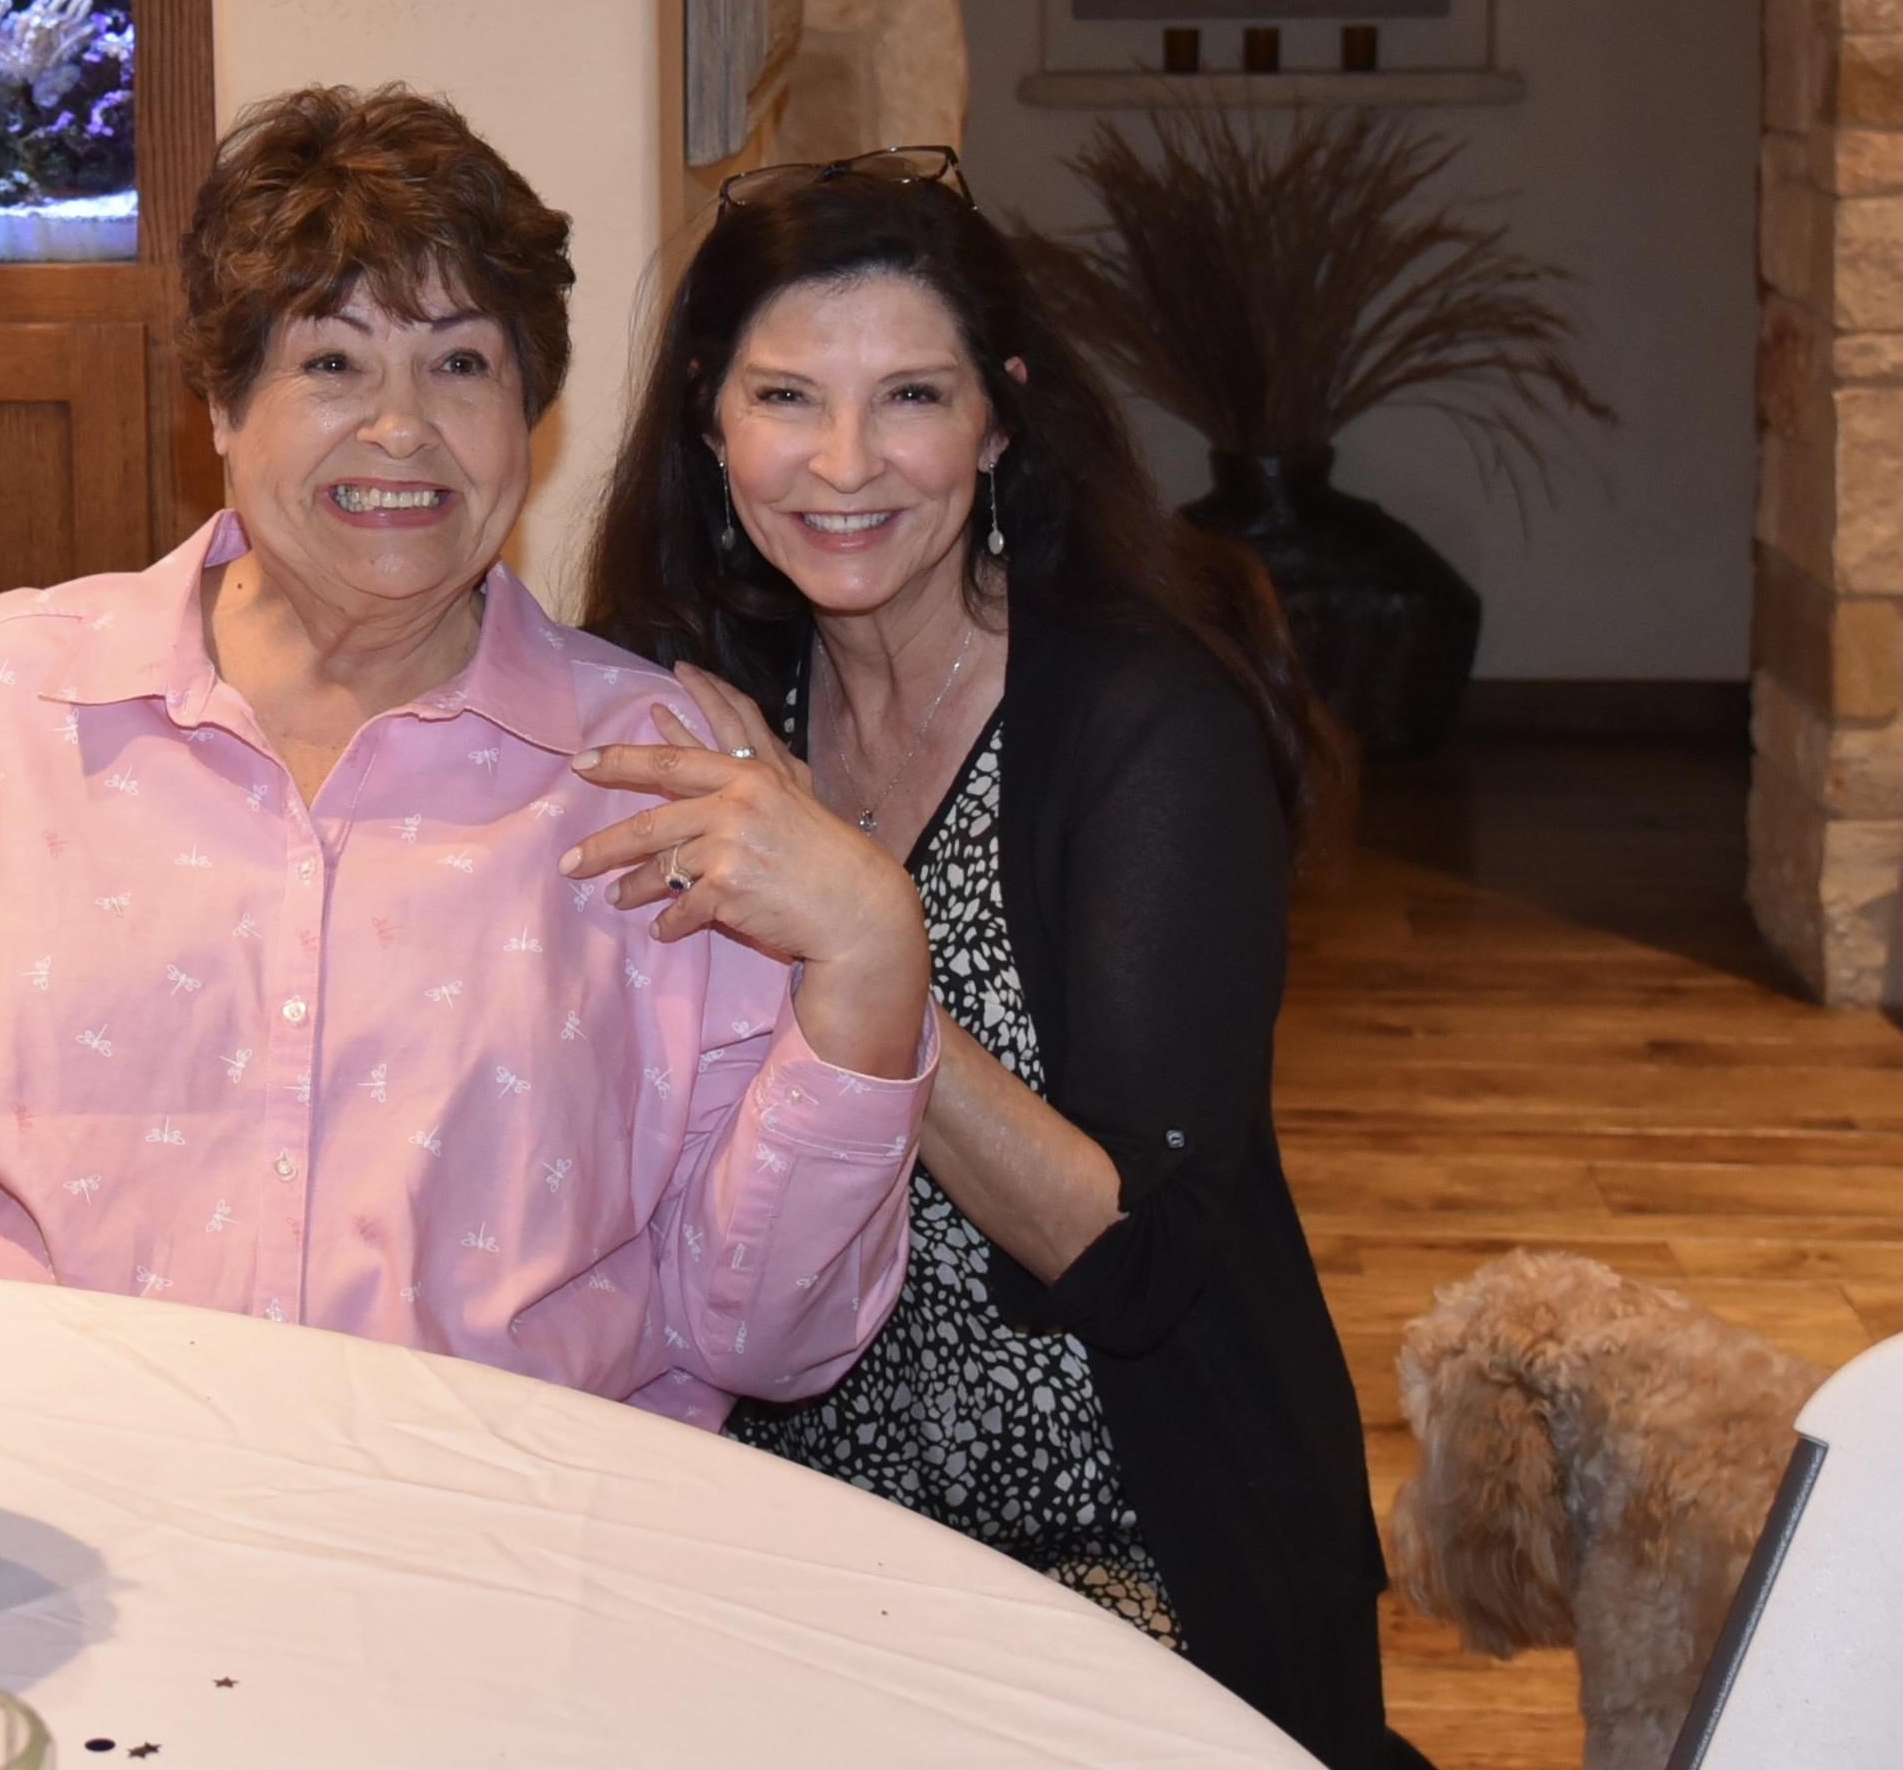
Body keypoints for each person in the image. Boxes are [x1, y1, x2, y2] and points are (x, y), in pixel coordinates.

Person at [0, 86, 939, 1429]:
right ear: (223, 407)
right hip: (33, 1522)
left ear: (531, 416)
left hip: (477, 1553)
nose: (402, 428)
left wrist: (873, 963)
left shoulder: (657, 778)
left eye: (462, 363)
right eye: (333, 362)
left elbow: (765, 1331)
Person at [571, 149, 1408, 1767]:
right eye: (785, 397)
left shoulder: (1144, 720)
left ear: (1001, 419)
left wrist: (867, 931)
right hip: (795, 1502)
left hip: (1115, 1529)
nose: (843, 463)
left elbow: (1139, 1257)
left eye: (912, 398)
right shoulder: (719, 690)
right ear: (708, 418)